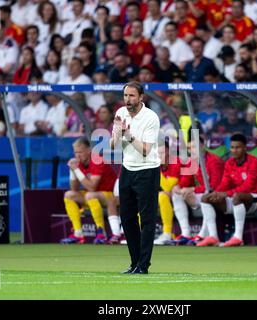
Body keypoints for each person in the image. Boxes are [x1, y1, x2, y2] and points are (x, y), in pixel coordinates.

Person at [110, 81, 160, 275]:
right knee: (127, 218)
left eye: (132, 96)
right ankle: (134, 263)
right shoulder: (120, 113)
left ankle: (143, 265)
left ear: (141, 97)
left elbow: (147, 151)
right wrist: (117, 133)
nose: (128, 100)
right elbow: (112, 146)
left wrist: (128, 135)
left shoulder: (151, 118)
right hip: (127, 169)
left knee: (147, 220)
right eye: (125, 96)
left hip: (147, 170)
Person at [201, 134, 257, 247]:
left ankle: (238, 237)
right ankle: (213, 236)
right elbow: (225, 183)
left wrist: (225, 194)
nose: (234, 150)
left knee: (237, 196)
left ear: (245, 148)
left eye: (238, 147)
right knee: (206, 198)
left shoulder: (254, 162)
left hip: (255, 198)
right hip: (236, 197)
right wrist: (216, 193)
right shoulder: (229, 163)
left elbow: (247, 186)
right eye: (232, 147)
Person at [60, 137, 118, 245]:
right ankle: (78, 233)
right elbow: (74, 189)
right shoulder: (79, 163)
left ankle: (101, 232)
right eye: (75, 152)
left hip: (110, 196)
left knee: (90, 195)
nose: (77, 155)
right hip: (92, 196)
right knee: (69, 195)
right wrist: (73, 171)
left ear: (89, 150)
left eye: (80, 152)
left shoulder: (97, 160)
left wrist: (77, 170)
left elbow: (92, 187)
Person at [172, 137, 225, 247]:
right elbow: (185, 181)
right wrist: (178, 188)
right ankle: (186, 233)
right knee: (176, 196)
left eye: (194, 147)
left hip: (218, 195)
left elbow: (214, 187)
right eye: (189, 148)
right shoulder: (192, 161)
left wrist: (192, 189)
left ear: (202, 146)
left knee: (205, 196)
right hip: (203, 193)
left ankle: (203, 234)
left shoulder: (214, 161)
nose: (191, 150)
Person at [153, 138, 182, 246]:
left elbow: (168, 187)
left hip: (182, 194)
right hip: (168, 194)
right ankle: (136, 234)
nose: (159, 155)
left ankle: (167, 233)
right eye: (157, 152)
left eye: (162, 152)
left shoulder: (176, 162)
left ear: (169, 151)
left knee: (162, 196)